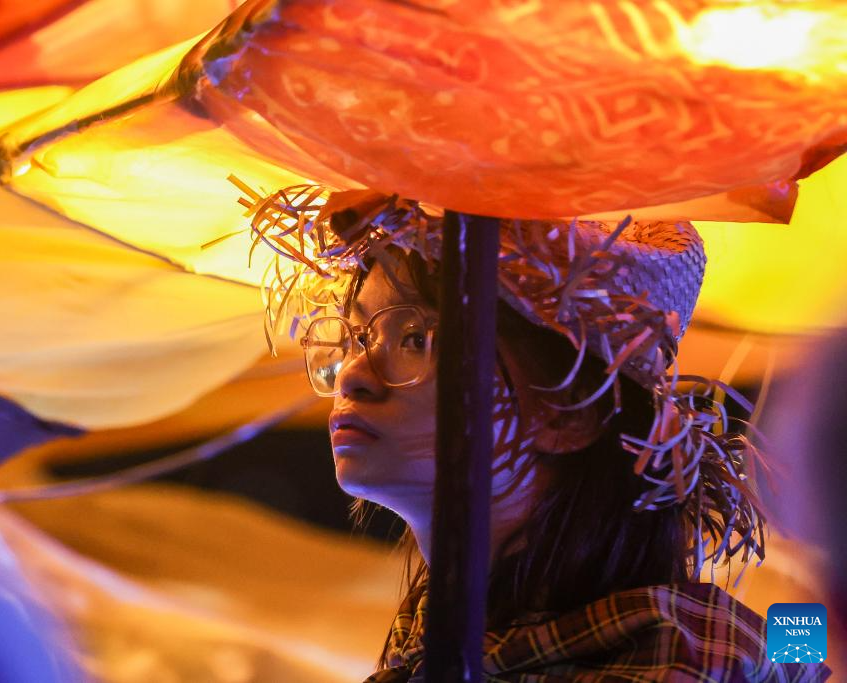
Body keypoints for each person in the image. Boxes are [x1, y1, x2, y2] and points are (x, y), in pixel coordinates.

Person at [233, 183, 833, 682]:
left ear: (569, 413)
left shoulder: (687, 665)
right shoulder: (431, 644)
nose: (354, 375)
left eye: (416, 339)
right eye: (359, 337)